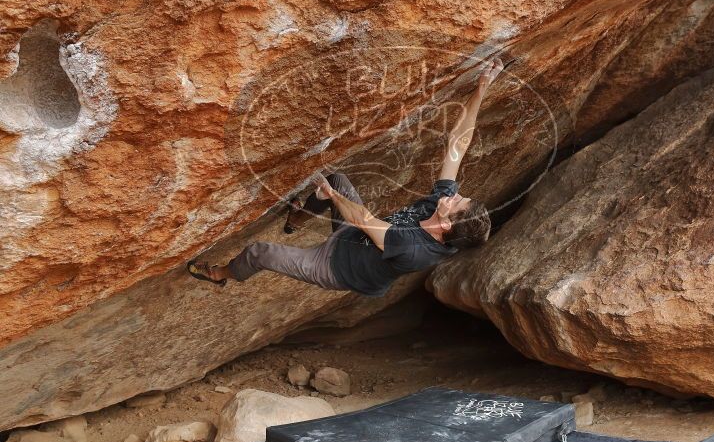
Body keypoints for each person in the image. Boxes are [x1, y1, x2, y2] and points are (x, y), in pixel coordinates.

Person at [188, 57, 503, 297]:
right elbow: (458, 144)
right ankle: (296, 220)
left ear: (447, 225)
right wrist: (481, 90)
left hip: (337, 268)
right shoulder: (441, 208)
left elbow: (363, 218)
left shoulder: (414, 249)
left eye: (457, 201)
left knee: (260, 252)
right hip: (354, 237)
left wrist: (331, 196)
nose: (453, 195)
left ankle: (220, 274)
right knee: (338, 179)